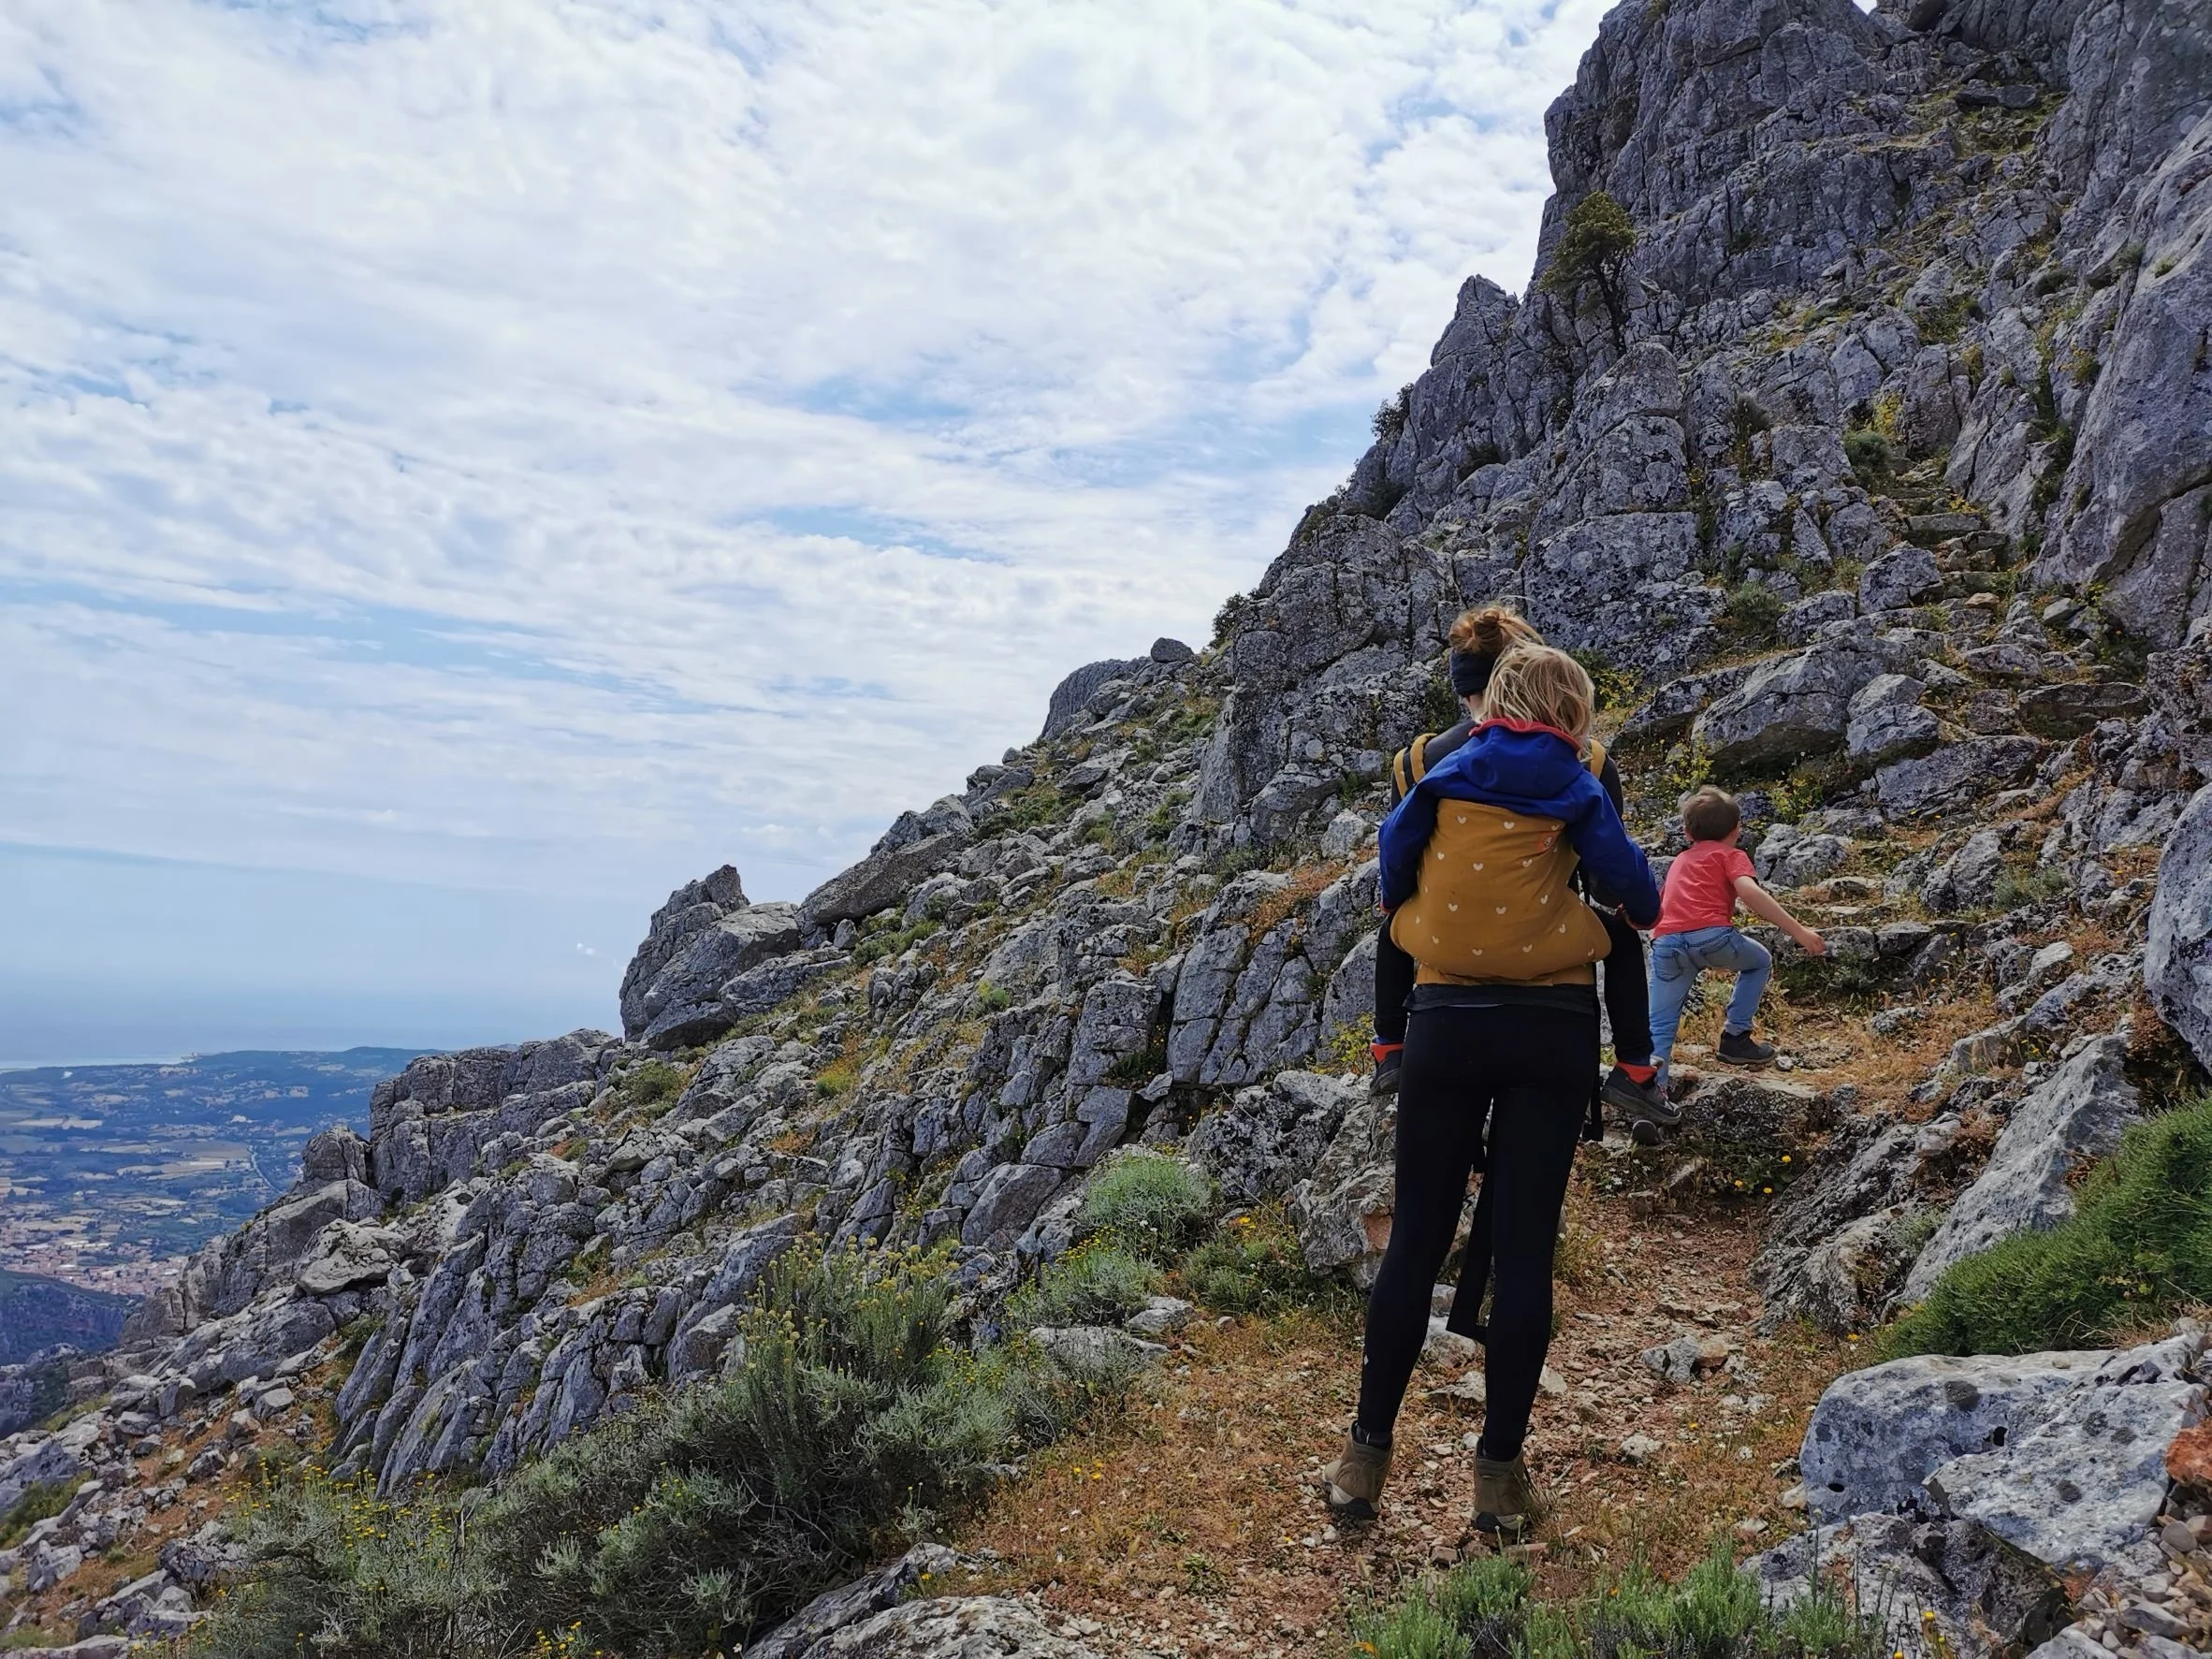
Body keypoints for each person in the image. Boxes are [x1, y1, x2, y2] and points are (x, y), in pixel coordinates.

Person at [1320, 645, 1661, 1544]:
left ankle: (1362, 1461)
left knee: (1416, 1241)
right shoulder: (1578, 780)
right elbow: (1633, 891)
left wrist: (1411, 909)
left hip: (1444, 1023)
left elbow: (1393, 866)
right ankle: (1499, 1481)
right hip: (1549, 1029)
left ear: (1493, 699)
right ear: (1573, 713)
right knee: (1523, 1251)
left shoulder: (1439, 774)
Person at [1371, 606, 1669, 1129]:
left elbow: (1401, 854)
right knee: (1622, 939)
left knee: (1390, 927)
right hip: (1548, 990)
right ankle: (1635, 1070)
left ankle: (1389, 1049)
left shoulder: (1417, 763)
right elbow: (1606, 881)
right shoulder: (1586, 762)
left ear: (1463, 687)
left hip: (1442, 979)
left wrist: (1394, 901)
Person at [1647, 786, 1827, 1086]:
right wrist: (1800, 932)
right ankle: (1735, 1037)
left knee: (1659, 1026)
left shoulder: (1680, 860)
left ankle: (1652, 1095)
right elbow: (1749, 892)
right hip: (1712, 937)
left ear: (1687, 833)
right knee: (1759, 961)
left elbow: (1660, 906)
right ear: (1737, 829)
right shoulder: (1730, 855)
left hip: (1666, 944)